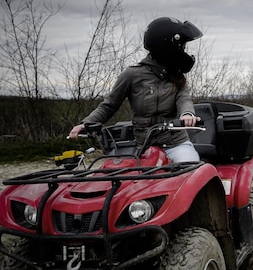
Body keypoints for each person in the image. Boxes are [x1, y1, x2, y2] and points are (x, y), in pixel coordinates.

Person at [68, 17, 203, 162]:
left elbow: (184, 99)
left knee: (190, 166)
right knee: (125, 177)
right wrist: (86, 124)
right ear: (167, 48)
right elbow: (109, 105)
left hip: (175, 144)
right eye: (181, 46)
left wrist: (187, 114)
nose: (184, 51)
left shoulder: (178, 77)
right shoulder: (132, 75)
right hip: (143, 146)